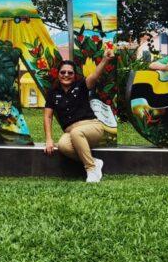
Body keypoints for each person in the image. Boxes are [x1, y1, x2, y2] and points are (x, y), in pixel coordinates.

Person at [43, 52, 114, 182]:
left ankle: (91, 170)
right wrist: (49, 139)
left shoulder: (81, 85)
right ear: (58, 74)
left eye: (70, 73)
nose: (66, 75)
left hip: (92, 127)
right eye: (63, 72)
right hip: (71, 132)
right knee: (63, 145)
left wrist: (105, 60)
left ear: (74, 75)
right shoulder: (52, 93)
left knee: (76, 132)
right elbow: (48, 117)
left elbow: (94, 75)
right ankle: (94, 162)